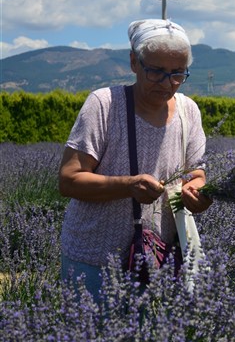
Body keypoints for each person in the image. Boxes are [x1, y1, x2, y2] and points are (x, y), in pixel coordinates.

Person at [58, 19, 212, 301]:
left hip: (157, 258)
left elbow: (196, 173)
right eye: (156, 72)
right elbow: (69, 180)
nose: (168, 83)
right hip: (94, 258)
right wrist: (128, 185)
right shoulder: (104, 105)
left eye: (177, 73)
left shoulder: (189, 110)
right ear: (134, 62)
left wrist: (198, 192)